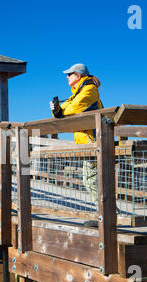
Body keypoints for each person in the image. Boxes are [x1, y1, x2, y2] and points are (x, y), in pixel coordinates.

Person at [49, 63, 109, 224]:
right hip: (88, 144)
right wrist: (58, 110)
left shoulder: (89, 90)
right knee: (92, 180)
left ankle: (107, 216)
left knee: (91, 180)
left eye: (70, 74)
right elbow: (68, 105)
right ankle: (106, 215)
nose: (67, 77)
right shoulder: (78, 91)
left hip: (95, 142)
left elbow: (74, 107)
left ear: (79, 75)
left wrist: (59, 111)